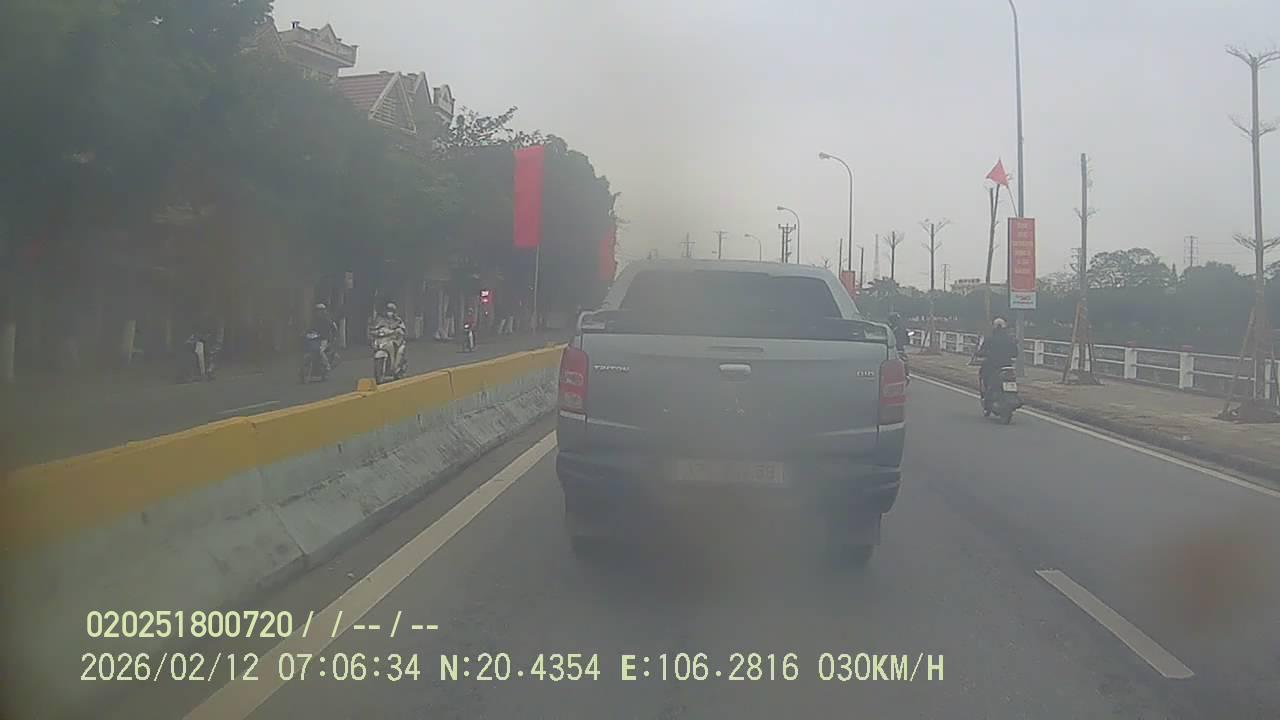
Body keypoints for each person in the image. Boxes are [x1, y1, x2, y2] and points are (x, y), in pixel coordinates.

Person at [976, 317, 1018, 402]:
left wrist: (980, 353)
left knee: (984, 373)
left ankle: (986, 393)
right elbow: (1015, 353)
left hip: (992, 364)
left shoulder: (990, 338)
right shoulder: (1010, 339)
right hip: (1007, 364)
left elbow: (982, 351)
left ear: (994, 327)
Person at [369, 301, 408, 376]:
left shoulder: (398, 320)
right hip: (384, 338)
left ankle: (396, 367)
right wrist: (373, 331)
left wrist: (399, 330)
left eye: (391, 311)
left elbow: (402, 328)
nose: (389, 313)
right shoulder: (380, 319)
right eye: (388, 310)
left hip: (395, 339)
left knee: (398, 350)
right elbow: (375, 327)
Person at [309, 303, 339, 372]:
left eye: (320, 310)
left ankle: (327, 365)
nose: (318, 312)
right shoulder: (314, 320)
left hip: (325, 339)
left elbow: (334, 327)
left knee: (320, 351)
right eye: (317, 310)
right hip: (316, 338)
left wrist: (334, 336)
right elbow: (311, 328)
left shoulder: (327, 319)